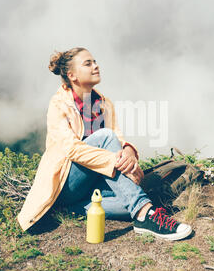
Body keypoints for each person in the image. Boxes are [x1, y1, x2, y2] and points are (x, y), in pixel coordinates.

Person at [16, 47, 192, 241]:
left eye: (95, 61)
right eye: (88, 63)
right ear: (72, 75)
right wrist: (115, 160)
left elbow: (119, 138)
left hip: (89, 186)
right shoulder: (58, 104)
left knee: (131, 199)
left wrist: (129, 151)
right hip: (66, 183)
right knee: (105, 137)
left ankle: (73, 210)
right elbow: (72, 149)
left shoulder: (103, 103)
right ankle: (145, 216)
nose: (96, 65)